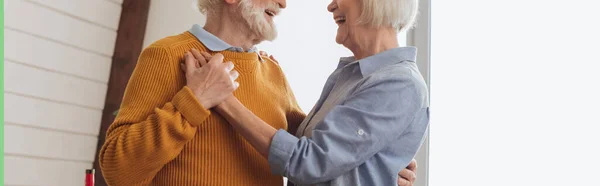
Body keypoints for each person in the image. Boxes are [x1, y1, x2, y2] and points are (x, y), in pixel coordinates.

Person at [98, 0, 418, 185]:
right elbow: (117, 170)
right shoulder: (168, 54)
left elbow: (310, 155)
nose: (282, 3)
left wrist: (376, 169)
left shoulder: (272, 71)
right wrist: (193, 102)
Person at [193, 0, 429, 185]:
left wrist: (224, 99)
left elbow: (309, 160)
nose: (330, 6)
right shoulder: (351, 74)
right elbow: (313, 141)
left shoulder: (400, 84)